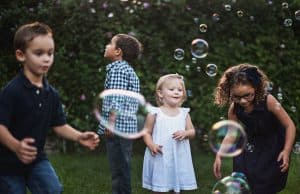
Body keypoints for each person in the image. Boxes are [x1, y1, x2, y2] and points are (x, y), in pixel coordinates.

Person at [0, 22, 100, 194]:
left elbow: (59, 125)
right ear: (21, 55)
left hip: (36, 159)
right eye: (39, 53)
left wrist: (79, 136)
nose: (46, 58)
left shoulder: (51, 93)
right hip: (7, 164)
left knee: (52, 189)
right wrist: (16, 146)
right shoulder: (12, 91)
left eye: (50, 53)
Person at [213, 63, 296, 194]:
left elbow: (289, 125)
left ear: (256, 88)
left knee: (265, 184)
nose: (243, 101)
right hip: (249, 146)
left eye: (248, 95)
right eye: (236, 97)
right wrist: (219, 155)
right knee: (245, 183)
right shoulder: (234, 109)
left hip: (271, 146)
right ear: (229, 92)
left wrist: (286, 150)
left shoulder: (269, 101)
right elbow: (231, 133)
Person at [97, 33, 142, 194]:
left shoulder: (118, 69)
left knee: (119, 170)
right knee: (122, 167)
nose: (106, 46)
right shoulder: (126, 69)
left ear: (118, 52)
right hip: (125, 128)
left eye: (110, 43)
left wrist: (111, 123)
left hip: (118, 127)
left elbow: (116, 98)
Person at [142, 74, 198, 194]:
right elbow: (146, 132)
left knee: (176, 185)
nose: (176, 92)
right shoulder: (155, 113)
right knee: (159, 186)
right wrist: (151, 144)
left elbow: (192, 131)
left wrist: (185, 133)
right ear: (160, 93)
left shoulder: (184, 113)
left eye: (180, 90)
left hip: (178, 155)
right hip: (160, 155)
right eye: (171, 89)